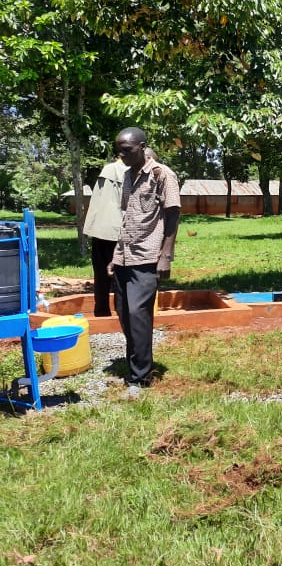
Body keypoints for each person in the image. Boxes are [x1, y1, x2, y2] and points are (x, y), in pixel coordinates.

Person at [111, 128, 180, 390]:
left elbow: (172, 216)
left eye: (126, 149)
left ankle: (141, 377)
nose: (121, 154)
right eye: (118, 149)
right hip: (124, 256)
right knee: (124, 314)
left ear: (141, 147)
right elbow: (129, 217)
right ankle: (135, 363)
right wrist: (116, 254)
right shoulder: (128, 175)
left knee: (137, 314)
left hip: (147, 256)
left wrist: (166, 256)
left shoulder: (162, 174)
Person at [83, 155, 126, 317]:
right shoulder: (128, 171)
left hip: (100, 230)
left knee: (101, 276)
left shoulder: (107, 170)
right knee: (119, 277)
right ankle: (122, 315)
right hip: (118, 232)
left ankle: (101, 311)